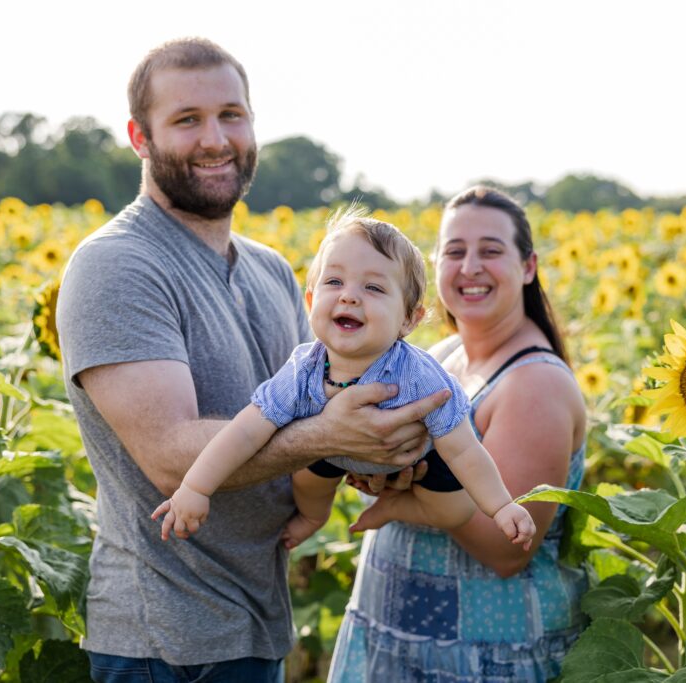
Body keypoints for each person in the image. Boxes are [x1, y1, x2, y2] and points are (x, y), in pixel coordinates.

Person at [56, 38, 450, 682]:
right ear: (140, 136)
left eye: (231, 115)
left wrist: (380, 456)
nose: (216, 139)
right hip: (166, 640)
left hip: (255, 621)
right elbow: (168, 458)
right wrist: (333, 436)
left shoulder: (270, 269)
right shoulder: (117, 265)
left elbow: (323, 409)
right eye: (187, 120)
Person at [151, 209, 536, 550]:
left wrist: (501, 505)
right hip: (331, 453)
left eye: (373, 287)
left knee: (453, 508)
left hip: (416, 462)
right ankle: (315, 520)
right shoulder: (304, 369)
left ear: (409, 320)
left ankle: (397, 507)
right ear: (309, 300)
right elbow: (245, 432)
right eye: (334, 282)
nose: (349, 297)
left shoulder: (420, 377)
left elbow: (465, 450)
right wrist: (196, 488)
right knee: (308, 482)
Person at [328, 186, 590, 683]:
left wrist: (405, 492)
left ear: (528, 267)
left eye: (490, 251)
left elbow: (507, 547)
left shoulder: (534, 382)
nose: (469, 266)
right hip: (404, 642)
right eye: (454, 251)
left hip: (482, 657)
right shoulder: (444, 354)